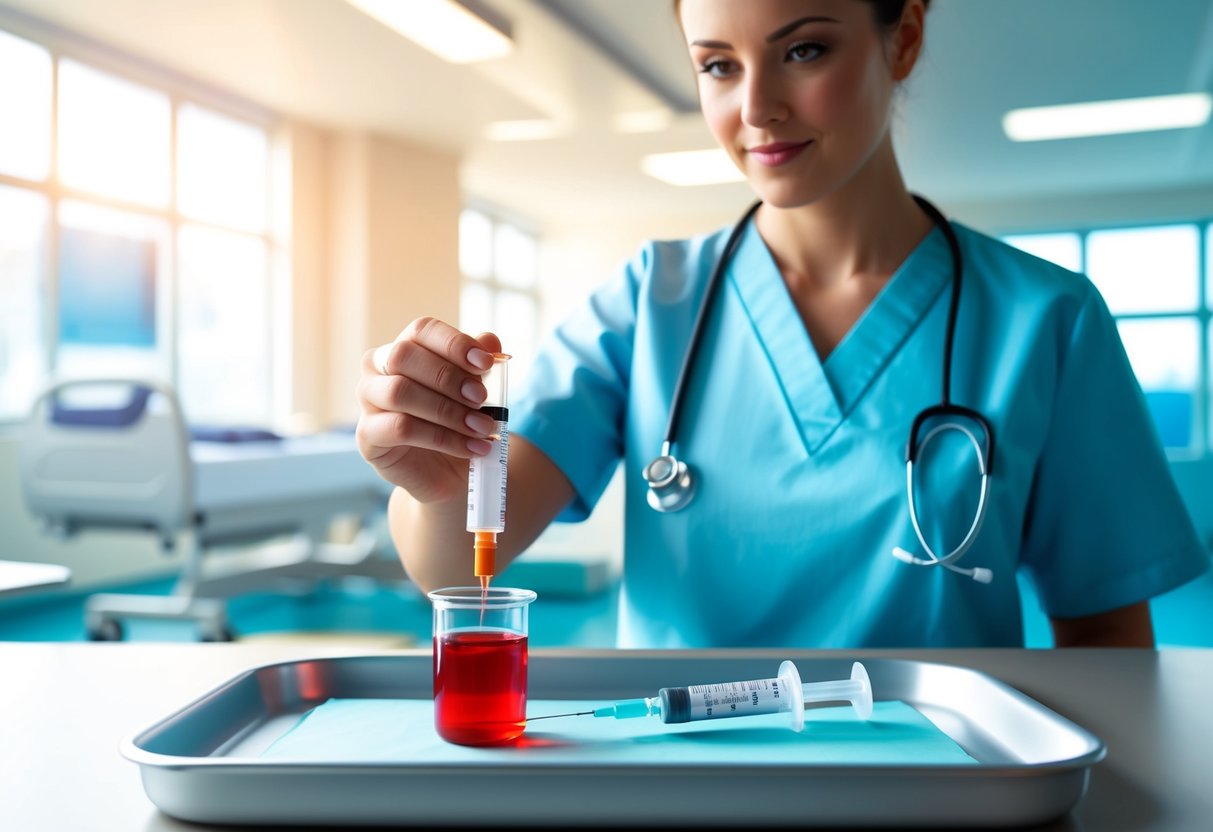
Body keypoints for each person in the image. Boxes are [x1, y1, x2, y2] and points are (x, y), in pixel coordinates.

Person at [356, 0, 1209, 648]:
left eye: (803, 50)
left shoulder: (1045, 322)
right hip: (685, 790)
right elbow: (457, 561)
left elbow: (1109, 655)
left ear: (902, 36)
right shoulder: (647, 303)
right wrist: (433, 484)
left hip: (939, 800)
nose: (756, 108)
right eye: (718, 66)